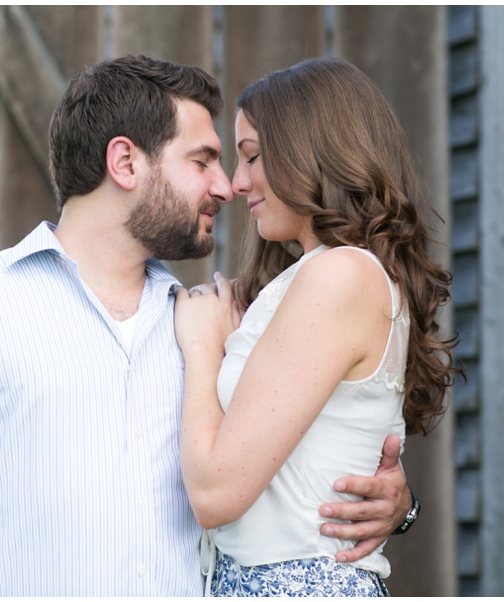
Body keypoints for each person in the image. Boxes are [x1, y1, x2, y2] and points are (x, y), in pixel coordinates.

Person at [0, 55, 414, 597]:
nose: (226, 186)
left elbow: (317, 443)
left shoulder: (218, 323)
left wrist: (397, 503)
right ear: (124, 163)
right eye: (202, 162)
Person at [174, 57, 461, 597]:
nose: (236, 184)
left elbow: (215, 495)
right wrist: (403, 508)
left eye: (252, 157)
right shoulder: (310, 278)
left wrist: (201, 347)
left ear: (313, 152)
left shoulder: (341, 274)